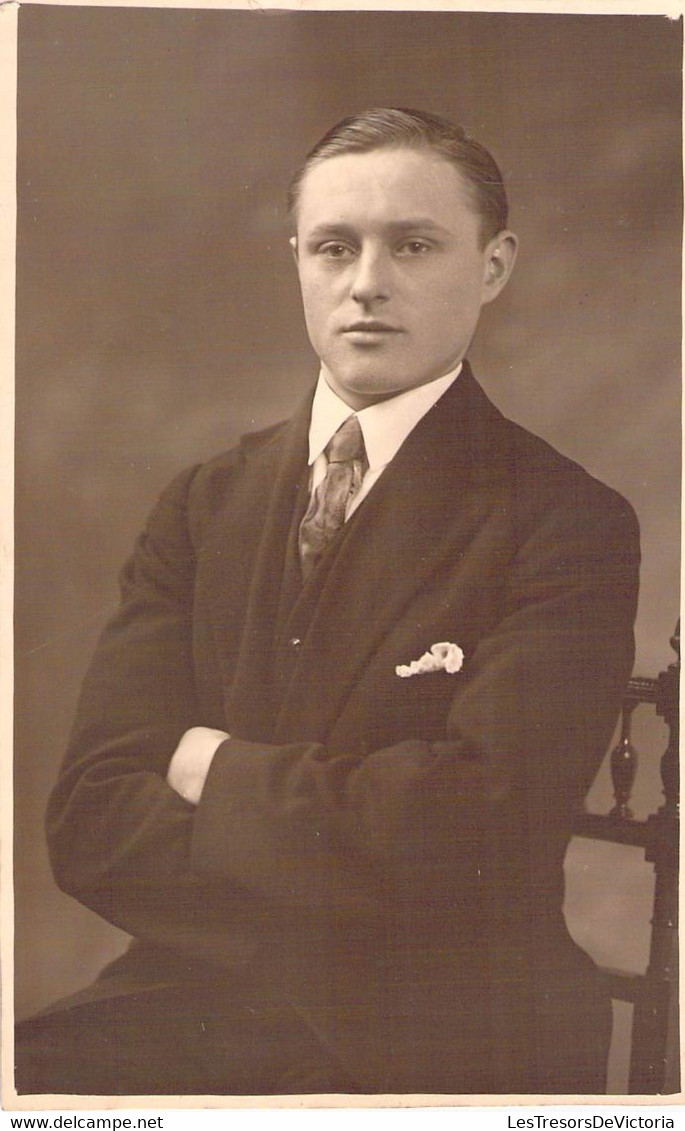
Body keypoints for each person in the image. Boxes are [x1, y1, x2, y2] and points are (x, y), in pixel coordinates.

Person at [16, 107, 640, 1096]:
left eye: (414, 245)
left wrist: (210, 767)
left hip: (443, 1019)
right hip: (198, 992)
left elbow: (479, 835)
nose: (366, 284)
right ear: (296, 259)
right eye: (334, 247)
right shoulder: (204, 504)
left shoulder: (564, 521)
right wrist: (354, 842)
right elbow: (90, 822)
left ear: (492, 266)